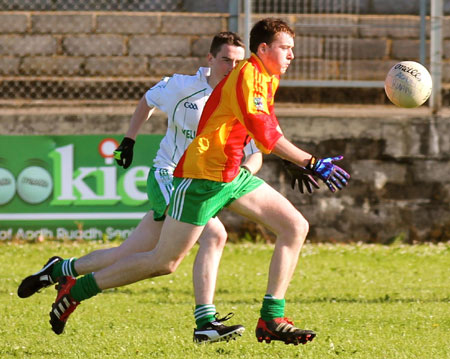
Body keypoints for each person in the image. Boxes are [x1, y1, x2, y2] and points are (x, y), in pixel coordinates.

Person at [22, 18, 350, 345]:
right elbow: (265, 135)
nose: (292, 55)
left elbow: (261, 129)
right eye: (285, 48)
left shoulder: (265, 76)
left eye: (292, 49)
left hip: (232, 174)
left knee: (295, 226)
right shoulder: (247, 78)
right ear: (263, 49)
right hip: (203, 177)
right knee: (162, 262)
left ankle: (271, 319)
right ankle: (77, 289)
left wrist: (290, 160)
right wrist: (309, 161)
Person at [17, 32, 264, 343]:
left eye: (238, 61)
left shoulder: (244, 96)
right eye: (226, 59)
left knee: (131, 252)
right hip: (169, 176)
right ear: (210, 60)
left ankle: (59, 270)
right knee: (215, 235)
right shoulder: (183, 87)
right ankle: (205, 322)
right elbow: (148, 99)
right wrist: (130, 139)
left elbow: (256, 152)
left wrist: (239, 175)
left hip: (205, 185)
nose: (232, 66)